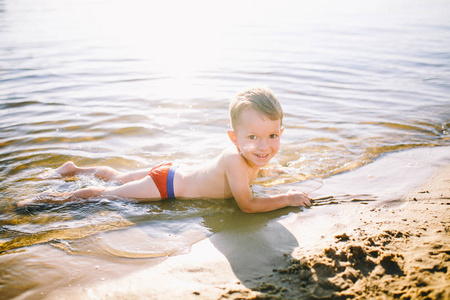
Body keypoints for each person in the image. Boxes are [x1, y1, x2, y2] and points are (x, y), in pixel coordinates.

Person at [18, 87, 311, 213]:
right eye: (253, 137)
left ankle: (73, 170)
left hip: (172, 171)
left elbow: (255, 169)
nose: (264, 146)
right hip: (164, 185)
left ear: (280, 133)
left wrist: (275, 171)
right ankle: (49, 201)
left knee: (116, 176)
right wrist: (286, 198)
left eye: (272, 135)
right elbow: (246, 206)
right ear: (234, 138)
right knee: (103, 195)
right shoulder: (235, 159)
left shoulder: (251, 156)